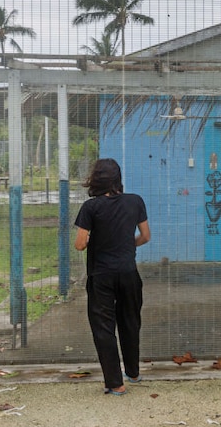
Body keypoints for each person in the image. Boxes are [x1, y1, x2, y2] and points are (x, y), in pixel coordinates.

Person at [74, 158, 151, 395]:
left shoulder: (91, 207)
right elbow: (145, 236)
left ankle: (116, 384)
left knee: (104, 328)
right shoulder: (135, 201)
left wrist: (91, 239)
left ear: (95, 179)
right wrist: (129, 247)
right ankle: (134, 372)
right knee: (130, 321)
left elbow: (79, 245)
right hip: (128, 273)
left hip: (101, 276)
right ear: (118, 178)